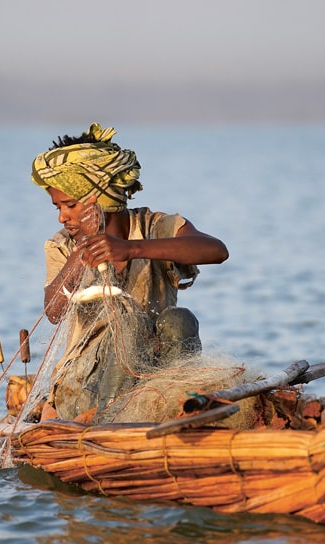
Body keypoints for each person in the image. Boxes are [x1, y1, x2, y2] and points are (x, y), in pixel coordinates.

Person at [31, 123, 229, 421]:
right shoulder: (62, 246)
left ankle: (177, 410)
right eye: (58, 207)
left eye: (70, 205)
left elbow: (216, 251)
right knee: (130, 326)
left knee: (179, 319)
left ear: (97, 199)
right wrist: (82, 248)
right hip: (85, 388)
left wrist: (131, 249)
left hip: (153, 379)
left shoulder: (155, 226)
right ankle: (110, 425)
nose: (62, 217)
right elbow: (54, 311)